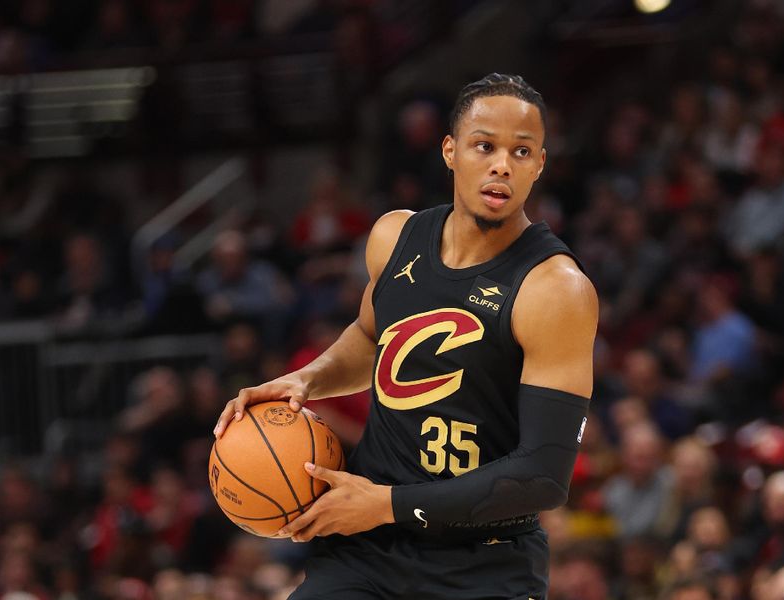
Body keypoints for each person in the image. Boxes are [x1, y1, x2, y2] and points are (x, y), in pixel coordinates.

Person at [214, 73, 598, 600]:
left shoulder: (556, 290)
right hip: (368, 552)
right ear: (450, 150)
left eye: (521, 151)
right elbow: (371, 338)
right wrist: (305, 381)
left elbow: (544, 476)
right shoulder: (395, 237)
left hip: (482, 563)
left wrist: (385, 502)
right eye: (484, 146)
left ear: (539, 165)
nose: (501, 165)